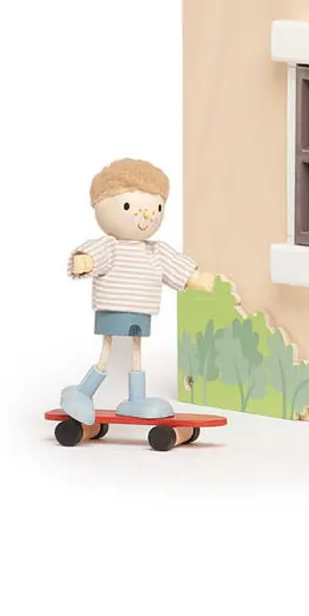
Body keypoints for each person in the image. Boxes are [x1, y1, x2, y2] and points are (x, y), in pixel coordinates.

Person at [61, 159, 214, 423]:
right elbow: (94, 256)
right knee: (106, 353)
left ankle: (136, 399)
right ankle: (83, 392)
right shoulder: (111, 247)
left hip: (140, 313)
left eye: (157, 208)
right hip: (113, 307)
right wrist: (85, 261)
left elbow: (174, 265)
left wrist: (194, 277)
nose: (147, 216)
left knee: (136, 353)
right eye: (128, 207)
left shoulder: (156, 251)